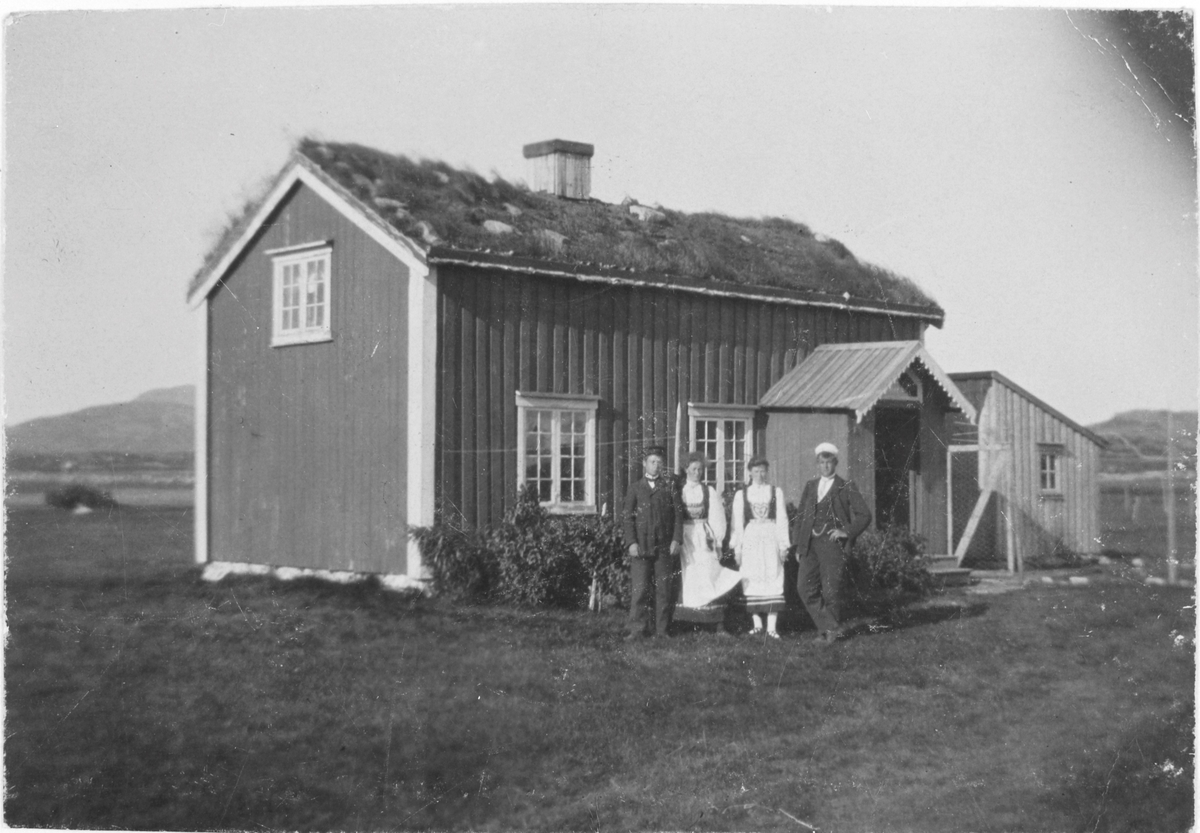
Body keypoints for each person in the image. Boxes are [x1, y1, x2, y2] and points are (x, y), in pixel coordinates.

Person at [790, 443, 872, 645]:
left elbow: (864, 515)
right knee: (803, 587)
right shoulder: (810, 486)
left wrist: (846, 532)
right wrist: (799, 546)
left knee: (830, 590)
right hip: (810, 544)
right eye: (821, 462)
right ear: (817, 464)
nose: (825, 466)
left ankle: (827, 634)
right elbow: (801, 517)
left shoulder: (845, 486)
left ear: (835, 463)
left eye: (829, 462)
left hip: (832, 545)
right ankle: (830, 627)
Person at [674, 451, 742, 629]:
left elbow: (717, 518)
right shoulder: (679, 490)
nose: (697, 473)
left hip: (703, 537)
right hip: (684, 538)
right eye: (694, 469)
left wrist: (718, 542)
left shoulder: (708, 491)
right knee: (689, 575)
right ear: (686, 469)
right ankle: (687, 620)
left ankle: (716, 621)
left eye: (700, 469)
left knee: (709, 573)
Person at [622, 445, 683, 639]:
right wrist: (631, 542)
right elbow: (628, 518)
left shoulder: (669, 487)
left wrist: (676, 539)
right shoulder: (635, 488)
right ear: (645, 464)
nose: (656, 466)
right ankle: (637, 629)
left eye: (659, 463)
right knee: (640, 590)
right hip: (641, 547)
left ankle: (662, 630)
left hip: (664, 547)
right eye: (652, 462)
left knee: (663, 590)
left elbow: (678, 516)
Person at [730, 456, 790, 639]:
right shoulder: (742, 494)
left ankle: (772, 627)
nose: (759, 475)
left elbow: (782, 519)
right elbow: (736, 523)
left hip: (771, 537)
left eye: (763, 470)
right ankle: (757, 624)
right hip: (751, 538)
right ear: (749, 472)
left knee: (772, 574)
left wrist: (783, 545)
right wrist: (737, 548)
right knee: (751, 576)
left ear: (767, 471)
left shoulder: (775, 492)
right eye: (755, 471)